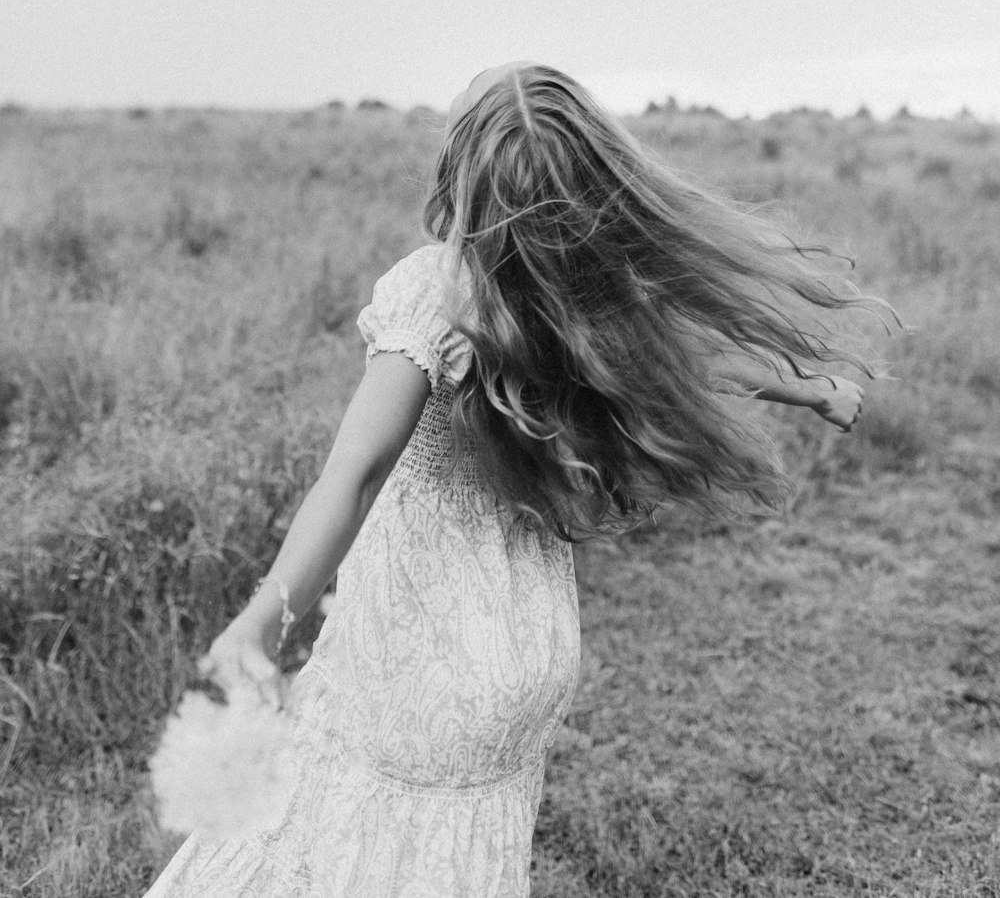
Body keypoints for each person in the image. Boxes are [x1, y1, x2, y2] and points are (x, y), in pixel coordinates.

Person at [145, 62, 874, 897]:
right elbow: (695, 359)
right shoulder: (590, 304)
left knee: (330, 836)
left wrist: (265, 618)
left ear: (462, 173)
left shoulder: (436, 292)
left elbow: (357, 473)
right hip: (522, 653)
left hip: (415, 649)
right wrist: (813, 386)